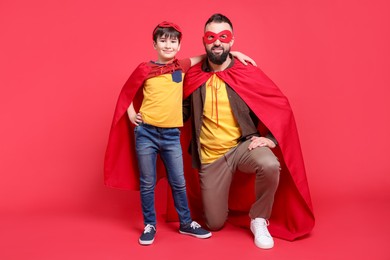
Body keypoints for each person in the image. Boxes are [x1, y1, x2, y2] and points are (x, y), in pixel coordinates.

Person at [104, 21, 256, 246]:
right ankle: (150, 224)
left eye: (173, 41)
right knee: (147, 182)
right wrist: (131, 115)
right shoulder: (145, 69)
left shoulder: (181, 66)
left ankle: (186, 223)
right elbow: (127, 92)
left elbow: (205, 56)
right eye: (163, 40)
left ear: (179, 45)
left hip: (171, 135)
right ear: (154, 44)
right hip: (146, 133)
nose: (168, 45)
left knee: (179, 181)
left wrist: (234, 52)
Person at [182, 13, 315, 249]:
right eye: (211, 37)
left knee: (270, 164)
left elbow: (278, 105)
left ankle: (259, 219)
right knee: (214, 223)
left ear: (232, 40)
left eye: (224, 37)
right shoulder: (193, 76)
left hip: (242, 146)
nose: (217, 42)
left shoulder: (245, 70)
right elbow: (170, 79)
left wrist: (272, 140)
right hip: (210, 157)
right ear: (203, 40)